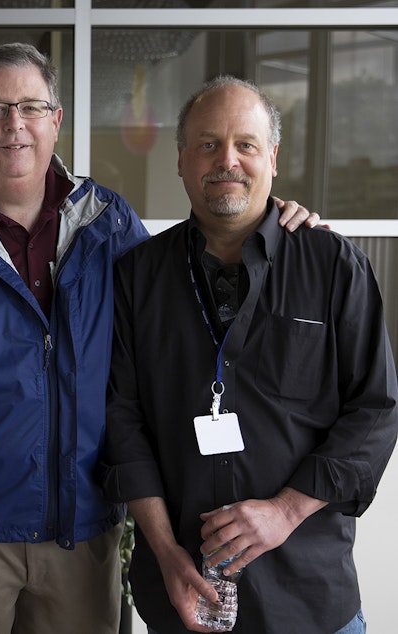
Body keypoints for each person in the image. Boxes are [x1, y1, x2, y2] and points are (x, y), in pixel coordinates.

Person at [0, 45, 318, 633]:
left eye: (30, 106)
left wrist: (273, 222)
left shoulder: (109, 223)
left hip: (84, 534)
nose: (14, 124)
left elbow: (195, 285)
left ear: (57, 119)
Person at [101, 75, 398, 633]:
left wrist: (287, 511)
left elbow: (376, 410)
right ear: (182, 160)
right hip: (182, 592)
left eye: (246, 144)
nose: (227, 160)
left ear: (273, 159)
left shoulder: (333, 267)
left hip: (308, 598)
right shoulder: (138, 278)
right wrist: (165, 553)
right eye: (208, 144)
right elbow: (123, 421)